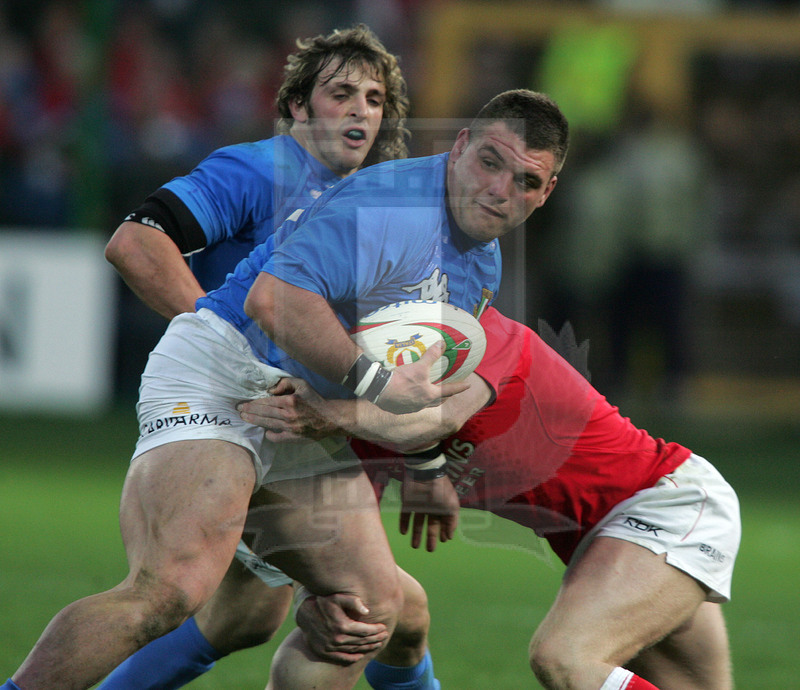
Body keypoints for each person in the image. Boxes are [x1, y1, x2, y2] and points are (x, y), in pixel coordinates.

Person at [3, 88, 569, 690]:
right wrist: (373, 384)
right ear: (458, 147)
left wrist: (427, 467)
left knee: (367, 612)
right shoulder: (392, 208)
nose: (500, 190)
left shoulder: (481, 262)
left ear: (547, 191)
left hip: (299, 409)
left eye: (526, 181)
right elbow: (273, 301)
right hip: (224, 373)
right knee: (170, 592)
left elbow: (413, 370)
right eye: (489, 161)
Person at [97, 24, 435, 690]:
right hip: (232, 414)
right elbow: (137, 243)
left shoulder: (370, 204)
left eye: (374, 97)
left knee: (248, 614)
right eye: (340, 93)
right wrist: (211, 336)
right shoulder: (267, 167)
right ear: (299, 108)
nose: (361, 108)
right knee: (373, 609)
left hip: (293, 426)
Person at [245, 305, 740, 690]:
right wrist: (316, 598)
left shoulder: (476, 336)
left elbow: (441, 419)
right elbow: (347, 547)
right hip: (604, 548)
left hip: (666, 502)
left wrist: (333, 416)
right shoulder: (363, 432)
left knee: (564, 658)